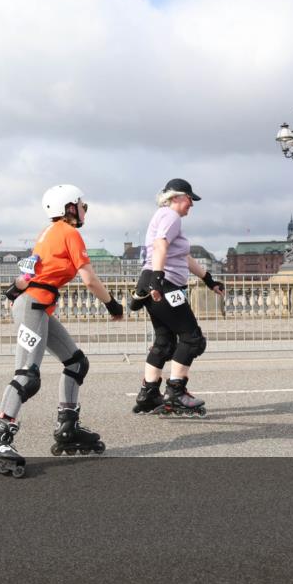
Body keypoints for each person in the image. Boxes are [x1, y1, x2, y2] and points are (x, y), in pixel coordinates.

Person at [0, 184, 124, 477]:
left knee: (76, 362)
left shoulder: (45, 234)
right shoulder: (70, 232)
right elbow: (88, 278)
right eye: (81, 204)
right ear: (69, 208)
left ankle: (68, 427)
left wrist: (16, 292)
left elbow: (27, 274)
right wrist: (113, 304)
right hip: (34, 306)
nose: (85, 209)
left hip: (36, 304)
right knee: (27, 375)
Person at [129, 178, 224, 417]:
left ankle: (148, 394)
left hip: (152, 282)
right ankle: (176, 393)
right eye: (190, 198)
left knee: (165, 341)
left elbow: (184, 258)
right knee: (192, 339)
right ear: (176, 197)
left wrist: (209, 279)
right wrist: (159, 280)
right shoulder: (170, 216)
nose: (192, 203)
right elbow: (160, 245)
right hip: (164, 284)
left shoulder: (162, 216)